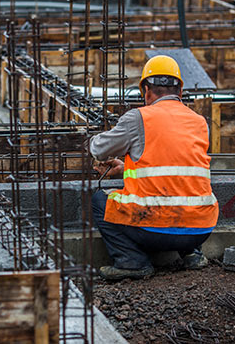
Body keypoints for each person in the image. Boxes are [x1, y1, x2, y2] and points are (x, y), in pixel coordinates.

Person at [89, 55, 219, 281]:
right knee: (189, 193)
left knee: (99, 200)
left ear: (146, 90)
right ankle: (192, 255)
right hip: (201, 229)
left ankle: (131, 262)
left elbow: (99, 149)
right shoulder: (199, 121)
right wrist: (125, 167)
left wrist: (93, 139)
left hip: (153, 230)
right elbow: (177, 165)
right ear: (179, 91)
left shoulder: (139, 118)